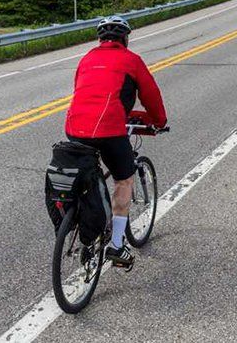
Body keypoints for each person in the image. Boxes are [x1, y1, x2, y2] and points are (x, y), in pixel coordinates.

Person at [65, 15, 167, 268]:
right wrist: (158, 121)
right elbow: (151, 95)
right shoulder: (131, 60)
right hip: (109, 128)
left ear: (100, 39)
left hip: (74, 127)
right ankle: (117, 246)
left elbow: (86, 92)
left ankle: (83, 217)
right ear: (125, 39)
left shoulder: (86, 59)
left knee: (89, 173)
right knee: (124, 179)